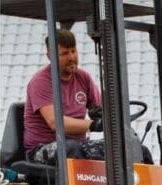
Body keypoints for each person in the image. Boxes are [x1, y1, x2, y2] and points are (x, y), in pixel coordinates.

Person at [23, 29, 104, 164]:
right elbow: (55, 122)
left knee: (120, 147)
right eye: (65, 53)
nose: (72, 57)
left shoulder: (83, 77)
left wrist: (104, 116)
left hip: (78, 145)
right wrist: (93, 124)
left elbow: (98, 109)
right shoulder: (41, 82)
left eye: (73, 51)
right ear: (50, 56)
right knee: (70, 148)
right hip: (42, 149)